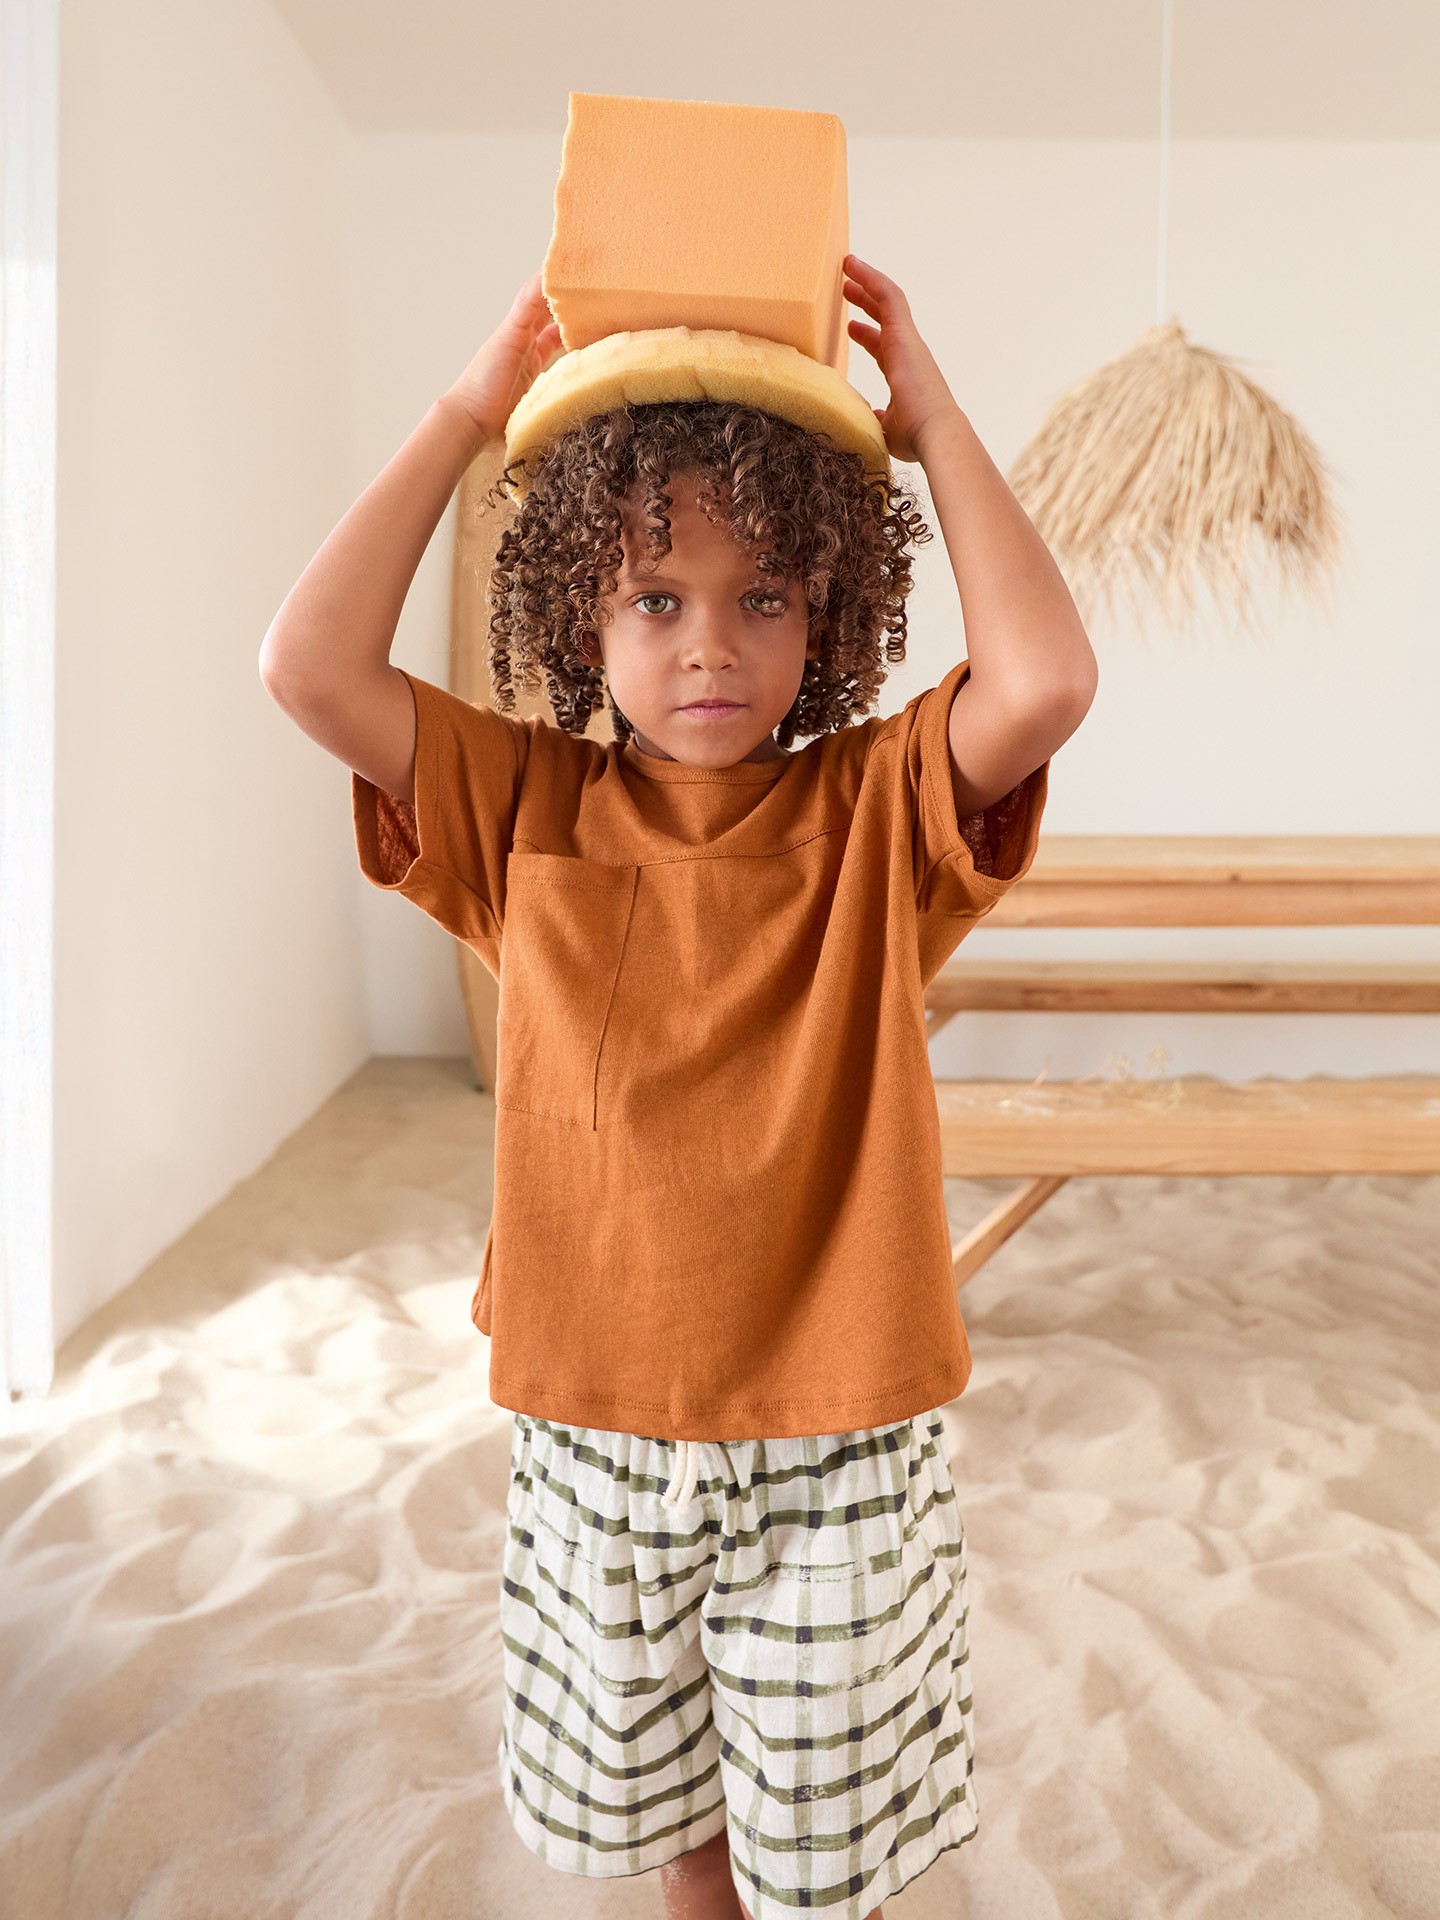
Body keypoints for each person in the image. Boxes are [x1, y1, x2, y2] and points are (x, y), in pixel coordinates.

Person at [260, 252, 1098, 1920]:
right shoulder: (523, 803)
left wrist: (930, 420)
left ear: (830, 615)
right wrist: (467, 417)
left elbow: (1047, 682)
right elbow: (307, 665)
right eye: (655, 598)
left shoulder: (877, 808)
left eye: (764, 596)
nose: (709, 644)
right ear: (582, 610)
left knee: (822, 1842)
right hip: (593, 1418)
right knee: (673, 1814)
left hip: (840, 1423)